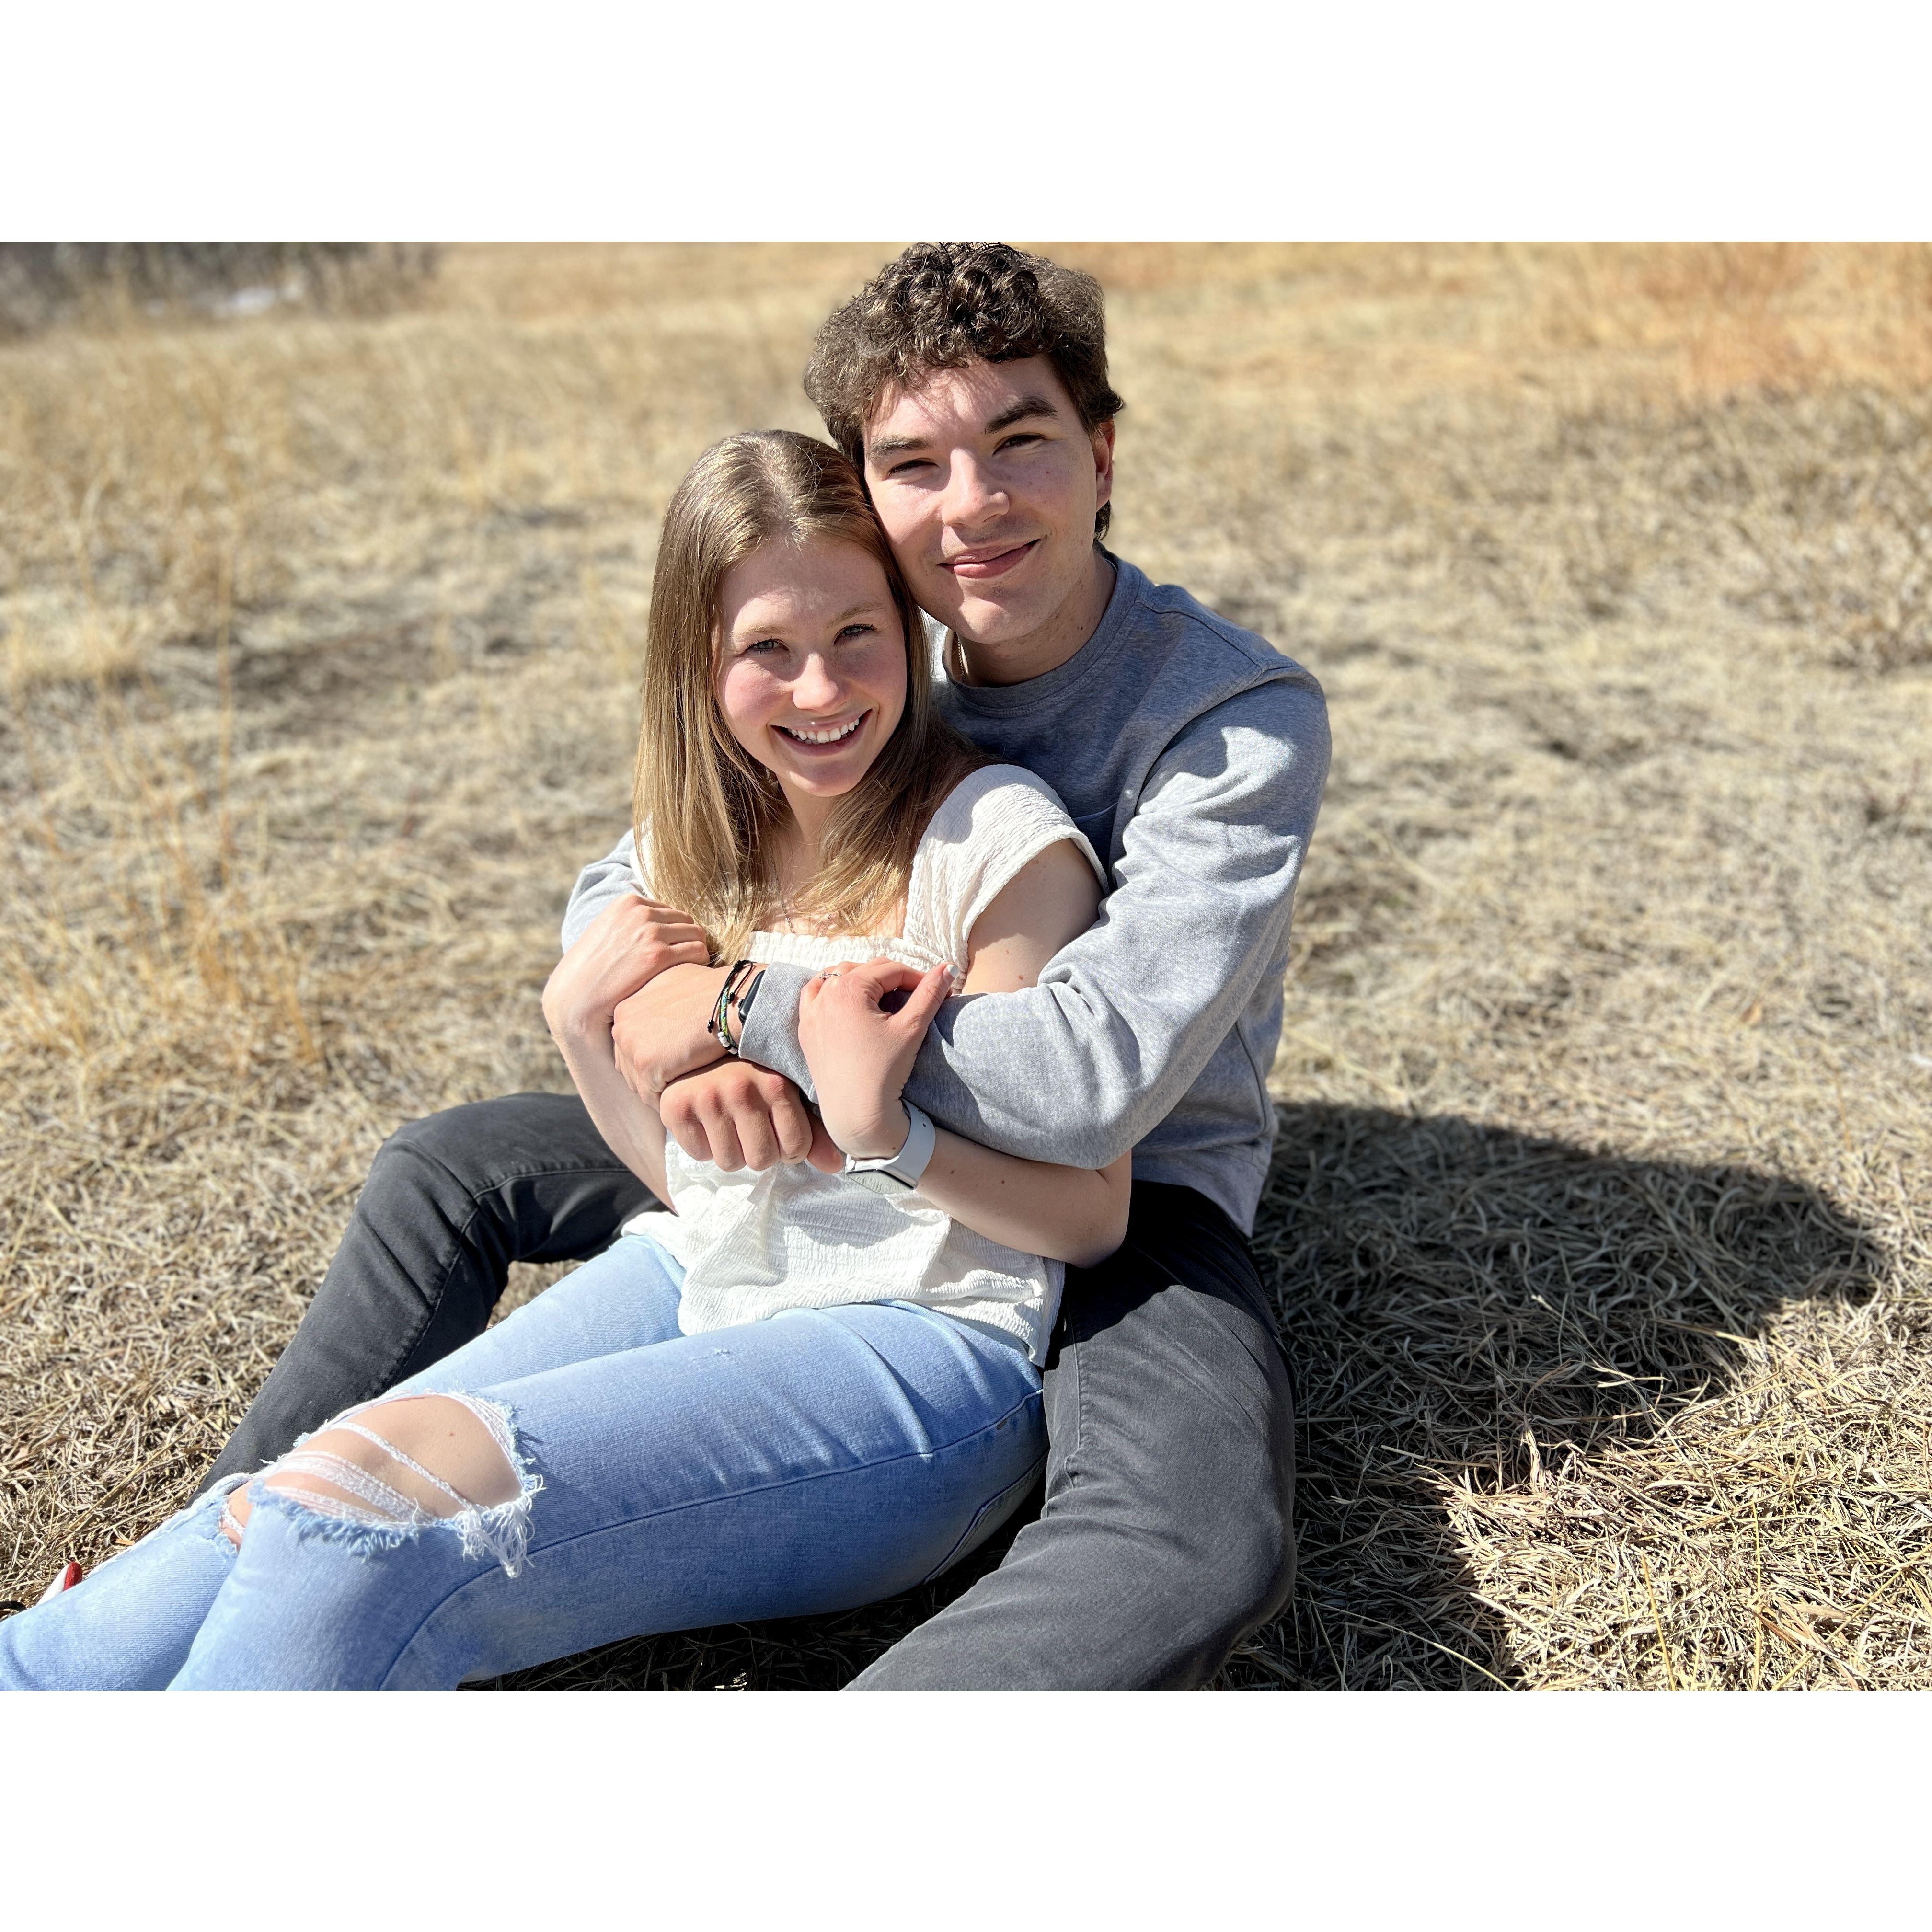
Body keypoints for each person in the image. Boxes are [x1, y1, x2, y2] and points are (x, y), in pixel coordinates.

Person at [198, 242, 1329, 1689]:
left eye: (1020, 443)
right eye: (914, 464)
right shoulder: (866, 657)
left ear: (1101, 455)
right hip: (824, 1122)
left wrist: (747, 1007)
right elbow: (629, 882)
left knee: (1195, 1541)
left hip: (1122, 1190)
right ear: (865, 494)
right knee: (449, 1164)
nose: (971, 504)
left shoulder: (1230, 721)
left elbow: (1086, 1085)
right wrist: (673, 1036)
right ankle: (213, 1535)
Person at [0, 431, 1130, 1689]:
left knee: (359, 1507)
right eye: (767, 648)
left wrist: (887, 1136)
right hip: (697, 1272)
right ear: (697, 662)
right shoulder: (697, 838)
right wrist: (580, 1030)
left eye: (857, 632)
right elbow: (685, 1190)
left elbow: (1089, 1220)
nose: (821, 688)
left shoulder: (996, 847)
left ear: (909, 629)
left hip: (918, 1352)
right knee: (291, 1489)